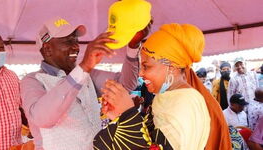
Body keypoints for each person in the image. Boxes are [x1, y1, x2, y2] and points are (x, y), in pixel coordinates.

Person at [94, 23, 231, 150]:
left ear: (171, 67)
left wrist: (127, 114)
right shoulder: (167, 97)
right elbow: (148, 137)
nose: (140, 74)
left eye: (146, 66)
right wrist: (120, 115)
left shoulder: (185, 102)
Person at [20, 16, 149, 149]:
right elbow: (42, 118)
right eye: (68, 41)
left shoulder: (86, 75)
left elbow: (125, 85)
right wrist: (83, 67)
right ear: (47, 49)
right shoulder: (33, 80)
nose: (76, 46)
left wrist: (133, 47)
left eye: (75, 41)